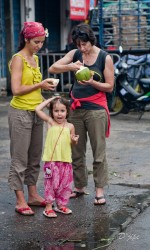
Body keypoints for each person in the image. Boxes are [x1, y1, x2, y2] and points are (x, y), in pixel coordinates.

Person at [48, 23, 114, 205]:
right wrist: (71, 67)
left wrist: (93, 82)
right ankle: (79, 186)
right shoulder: (76, 54)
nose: (82, 48)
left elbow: (109, 86)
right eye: (78, 44)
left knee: (98, 152)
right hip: (76, 109)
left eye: (84, 44)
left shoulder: (104, 57)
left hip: (96, 110)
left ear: (91, 41)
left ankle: (99, 190)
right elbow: (53, 68)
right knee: (76, 150)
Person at [8, 22, 58, 216]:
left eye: (41, 42)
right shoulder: (18, 58)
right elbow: (17, 90)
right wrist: (40, 86)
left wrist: (47, 96)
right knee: (19, 158)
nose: (39, 45)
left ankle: (33, 194)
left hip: (36, 110)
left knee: (34, 157)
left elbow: (35, 86)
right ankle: (20, 200)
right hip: (20, 112)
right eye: (36, 42)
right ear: (26, 39)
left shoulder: (35, 58)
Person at [35, 96, 79, 218]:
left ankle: (61, 205)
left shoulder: (70, 126)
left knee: (65, 185)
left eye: (62, 111)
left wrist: (74, 140)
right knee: (50, 184)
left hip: (65, 161)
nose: (59, 114)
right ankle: (48, 207)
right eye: (56, 111)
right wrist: (52, 99)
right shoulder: (50, 122)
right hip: (51, 161)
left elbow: (73, 142)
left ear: (67, 111)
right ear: (52, 112)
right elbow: (38, 109)